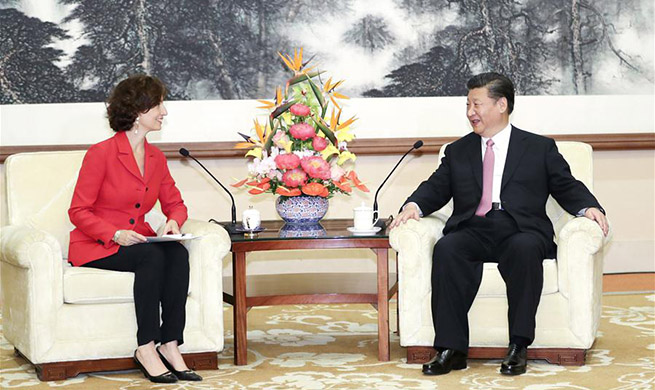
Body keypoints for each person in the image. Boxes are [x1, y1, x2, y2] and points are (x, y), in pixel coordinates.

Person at [389, 72, 608, 376]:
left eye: (476, 104)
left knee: (524, 249)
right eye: (467, 105)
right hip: (473, 228)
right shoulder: (458, 151)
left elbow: (566, 185)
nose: (470, 113)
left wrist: (589, 207)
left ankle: (518, 345)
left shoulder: (538, 148)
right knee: (448, 249)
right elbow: (436, 186)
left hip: (521, 229)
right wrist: (412, 206)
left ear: (501, 104)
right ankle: (451, 349)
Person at [68, 75, 202, 383]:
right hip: (98, 245)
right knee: (152, 258)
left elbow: (176, 203)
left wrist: (173, 222)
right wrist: (114, 234)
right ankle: (145, 347)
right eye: (157, 104)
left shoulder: (155, 158)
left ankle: (170, 344)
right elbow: (77, 211)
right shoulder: (100, 153)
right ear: (138, 110)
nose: (163, 111)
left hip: (139, 241)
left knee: (177, 254)